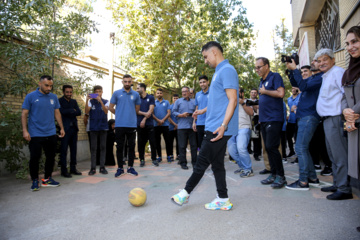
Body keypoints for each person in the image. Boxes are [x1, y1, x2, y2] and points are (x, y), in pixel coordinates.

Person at [171, 41, 238, 210]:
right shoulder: (219, 72)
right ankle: (223, 198)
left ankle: (184, 194)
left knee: (201, 162)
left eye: (205, 56)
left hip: (218, 127)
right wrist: (202, 111)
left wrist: (224, 125)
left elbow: (233, 100)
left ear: (214, 52)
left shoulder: (227, 70)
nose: (205, 61)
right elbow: (220, 101)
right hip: (213, 124)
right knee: (217, 165)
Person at [316, 48, 352, 200]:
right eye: (319, 61)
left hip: (336, 118)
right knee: (332, 155)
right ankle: (337, 184)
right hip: (327, 120)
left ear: (333, 59)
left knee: (339, 155)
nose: (322, 63)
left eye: (325, 59)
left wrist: (347, 114)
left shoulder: (337, 72)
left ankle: (344, 188)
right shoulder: (326, 75)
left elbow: (346, 93)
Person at [284, 59, 323, 191]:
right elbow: (296, 83)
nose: (314, 62)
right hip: (304, 117)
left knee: (300, 148)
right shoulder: (314, 78)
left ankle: (303, 182)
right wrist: (291, 70)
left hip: (309, 116)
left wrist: (295, 69)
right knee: (303, 148)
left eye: (317, 60)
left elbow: (303, 86)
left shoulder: (320, 77)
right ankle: (312, 178)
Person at [21, 75, 64, 191]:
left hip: (50, 133)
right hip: (35, 133)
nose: (49, 88)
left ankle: (47, 179)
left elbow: (57, 113)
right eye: (46, 85)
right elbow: (24, 114)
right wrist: (25, 130)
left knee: (50, 157)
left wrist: (61, 128)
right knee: (35, 157)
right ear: (39, 84)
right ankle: (35, 180)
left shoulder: (53, 97)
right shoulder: (31, 96)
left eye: (51, 86)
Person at [256, 57, 286, 189]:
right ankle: (273, 174)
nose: (257, 70)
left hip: (274, 118)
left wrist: (265, 91)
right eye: (256, 67)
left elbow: (281, 93)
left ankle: (281, 176)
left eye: (259, 67)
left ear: (267, 66)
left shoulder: (275, 77)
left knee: (272, 147)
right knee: (268, 148)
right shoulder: (261, 81)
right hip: (264, 119)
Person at [109, 74, 141, 177]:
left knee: (131, 147)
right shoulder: (117, 93)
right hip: (119, 125)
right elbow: (110, 107)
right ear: (122, 82)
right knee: (119, 147)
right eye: (125, 81)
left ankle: (130, 168)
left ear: (131, 82)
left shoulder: (136, 94)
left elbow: (137, 109)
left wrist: (129, 115)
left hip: (131, 125)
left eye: (129, 81)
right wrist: (119, 114)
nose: (127, 83)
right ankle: (120, 168)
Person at [342, 26, 360, 203]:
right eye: (347, 43)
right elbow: (344, 96)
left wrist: (353, 112)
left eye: (354, 41)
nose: (350, 47)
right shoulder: (349, 71)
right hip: (354, 125)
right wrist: (345, 110)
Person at [227, 87, 254, 178]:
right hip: (231, 129)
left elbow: (251, 113)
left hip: (244, 127)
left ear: (242, 93)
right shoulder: (229, 101)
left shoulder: (247, 101)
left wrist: (242, 103)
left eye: (238, 92)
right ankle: (242, 166)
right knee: (232, 151)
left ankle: (248, 169)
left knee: (241, 148)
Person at [58, 85, 82, 178]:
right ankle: (64, 171)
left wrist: (70, 111)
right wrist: (72, 110)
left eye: (70, 92)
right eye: (67, 92)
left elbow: (79, 112)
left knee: (73, 150)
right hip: (64, 129)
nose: (69, 94)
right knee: (63, 150)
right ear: (63, 92)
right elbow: (61, 112)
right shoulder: (59, 101)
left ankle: (73, 169)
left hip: (74, 129)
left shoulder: (74, 101)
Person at [85, 85, 109, 175]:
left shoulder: (106, 101)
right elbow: (86, 112)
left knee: (103, 147)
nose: (98, 93)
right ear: (94, 93)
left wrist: (100, 101)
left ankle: (102, 167)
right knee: (93, 148)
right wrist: (87, 100)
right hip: (93, 127)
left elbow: (106, 111)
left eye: (99, 91)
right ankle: (93, 168)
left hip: (103, 127)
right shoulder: (91, 102)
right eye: (96, 91)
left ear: (102, 92)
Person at [172, 86, 197, 169]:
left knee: (193, 145)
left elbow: (196, 112)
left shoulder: (194, 102)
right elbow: (174, 112)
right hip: (182, 127)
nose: (184, 93)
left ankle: (194, 162)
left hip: (192, 127)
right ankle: (183, 162)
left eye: (185, 91)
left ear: (189, 92)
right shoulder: (178, 101)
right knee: (182, 146)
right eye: (182, 91)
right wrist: (181, 115)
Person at [136, 83, 157, 167]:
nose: (136, 90)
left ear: (143, 88)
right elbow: (136, 110)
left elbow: (151, 110)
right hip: (139, 124)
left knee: (152, 142)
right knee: (141, 142)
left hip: (149, 124)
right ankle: (141, 159)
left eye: (138, 88)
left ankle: (154, 159)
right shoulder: (137, 98)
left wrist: (144, 119)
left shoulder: (151, 97)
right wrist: (145, 114)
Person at [152, 88, 172, 163]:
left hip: (165, 125)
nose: (159, 94)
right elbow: (152, 113)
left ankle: (168, 156)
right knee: (157, 142)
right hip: (156, 125)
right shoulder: (153, 102)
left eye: (160, 93)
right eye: (158, 93)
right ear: (156, 94)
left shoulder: (166, 102)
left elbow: (169, 113)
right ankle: (159, 156)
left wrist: (162, 120)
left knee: (168, 141)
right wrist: (158, 120)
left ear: (162, 94)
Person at [192, 75, 209, 150]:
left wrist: (203, 111)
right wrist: (194, 122)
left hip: (210, 123)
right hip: (200, 123)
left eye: (204, 82)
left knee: (210, 144)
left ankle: (211, 161)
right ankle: (204, 161)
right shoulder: (198, 94)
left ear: (208, 82)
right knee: (201, 145)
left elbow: (215, 105)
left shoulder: (213, 92)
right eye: (200, 82)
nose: (202, 84)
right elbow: (197, 108)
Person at [286, 86, 300, 158]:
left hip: (298, 120)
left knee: (297, 138)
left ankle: (298, 155)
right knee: (288, 136)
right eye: (292, 88)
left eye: (295, 88)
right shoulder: (289, 99)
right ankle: (291, 151)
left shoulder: (300, 97)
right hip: (290, 120)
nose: (293, 90)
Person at [247, 88, 261, 161]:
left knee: (256, 138)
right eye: (252, 92)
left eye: (255, 92)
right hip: (248, 119)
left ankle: (257, 154)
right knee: (247, 136)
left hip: (256, 119)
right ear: (250, 93)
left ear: (257, 94)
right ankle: (248, 150)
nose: (253, 94)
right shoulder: (246, 101)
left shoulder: (259, 101)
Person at [168, 94, 180, 160]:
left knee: (179, 142)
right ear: (172, 99)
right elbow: (169, 117)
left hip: (179, 127)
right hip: (171, 127)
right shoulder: (170, 107)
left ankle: (178, 155)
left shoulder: (180, 107)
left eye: (177, 98)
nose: (175, 99)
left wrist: (178, 125)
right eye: (174, 98)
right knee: (170, 142)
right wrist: (175, 125)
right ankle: (171, 155)